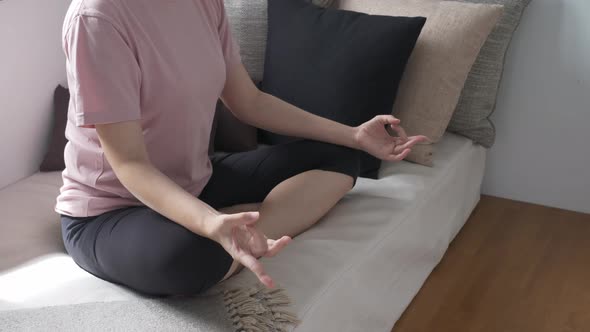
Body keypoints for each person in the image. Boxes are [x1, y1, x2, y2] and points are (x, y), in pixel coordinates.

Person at [57, 0, 428, 296]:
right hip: (109, 211)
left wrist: (353, 135)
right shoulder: (98, 17)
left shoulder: (205, 3)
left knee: (340, 155)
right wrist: (208, 223)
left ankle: (252, 237)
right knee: (186, 259)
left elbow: (248, 102)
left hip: (196, 181)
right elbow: (130, 163)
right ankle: (233, 241)